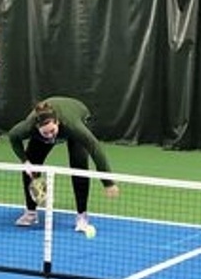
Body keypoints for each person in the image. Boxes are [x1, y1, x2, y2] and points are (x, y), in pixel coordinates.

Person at [7, 96, 119, 230]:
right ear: (37, 128)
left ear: (57, 122)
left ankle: (82, 216)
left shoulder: (72, 126)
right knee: (32, 165)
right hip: (47, 128)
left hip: (79, 114)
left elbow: (95, 148)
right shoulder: (28, 127)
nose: (50, 136)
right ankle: (31, 213)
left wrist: (108, 182)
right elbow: (13, 137)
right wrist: (25, 162)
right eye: (45, 133)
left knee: (79, 166)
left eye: (52, 131)